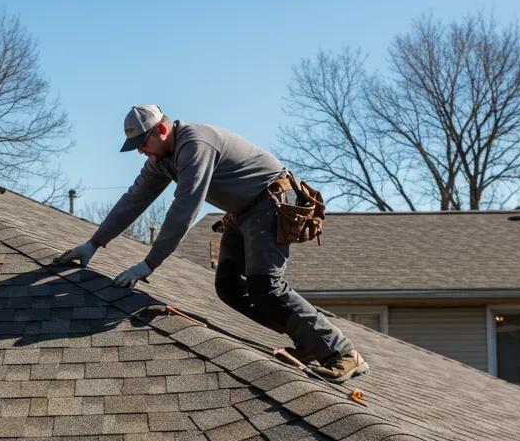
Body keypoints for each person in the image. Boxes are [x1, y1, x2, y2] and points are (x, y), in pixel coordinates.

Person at [54, 104, 367, 382]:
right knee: (229, 287)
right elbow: (133, 200)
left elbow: (184, 209)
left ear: (161, 129)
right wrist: (93, 244)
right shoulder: (162, 160)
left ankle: (341, 352)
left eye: (143, 144)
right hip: (243, 211)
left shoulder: (194, 144)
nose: (142, 152)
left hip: (269, 202)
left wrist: (149, 263)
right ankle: (308, 343)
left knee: (268, 287)